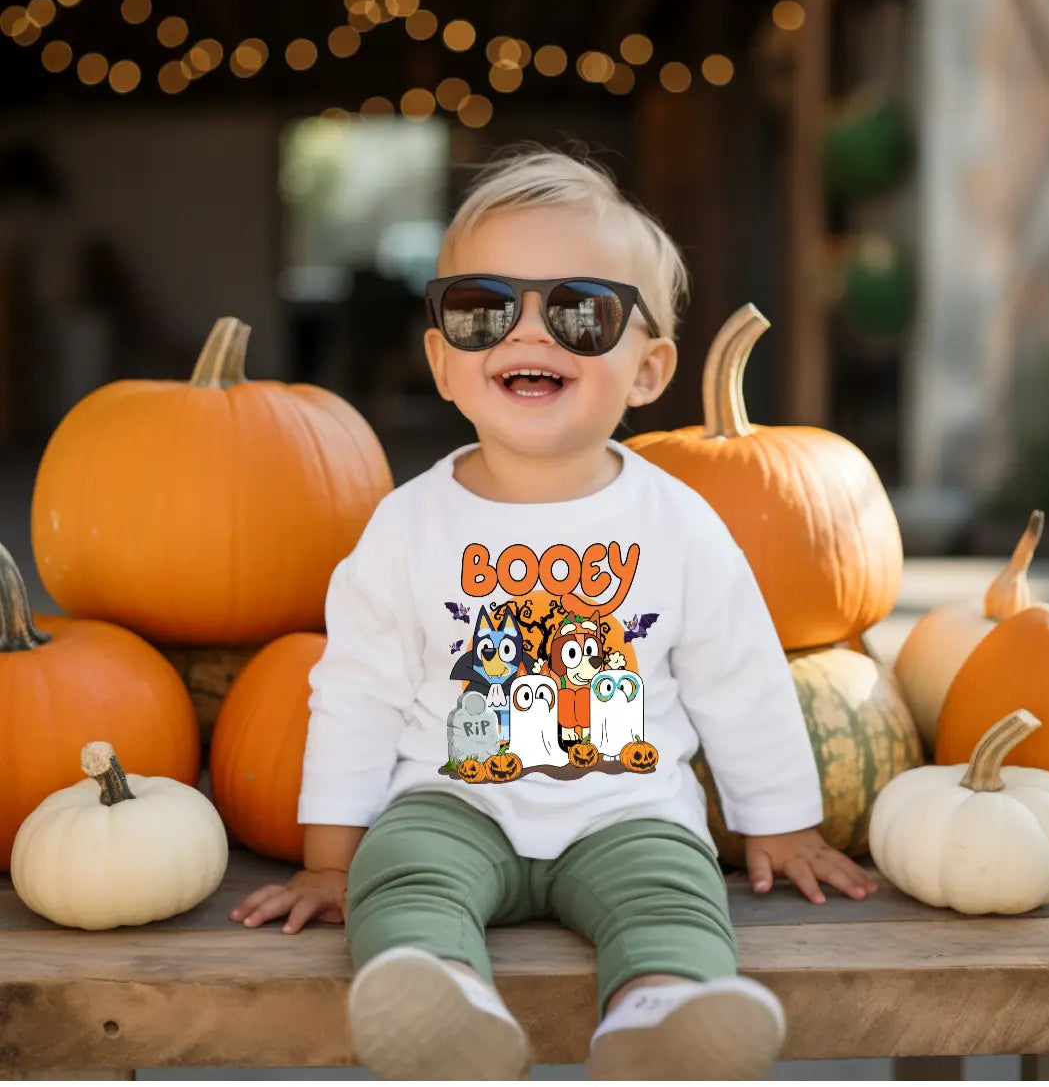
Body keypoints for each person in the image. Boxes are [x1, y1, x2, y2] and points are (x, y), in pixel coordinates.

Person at [229, 146, 877, 1080]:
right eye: (484, 309)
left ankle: (662, 1014)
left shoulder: (679, 523)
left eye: (580, 313)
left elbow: (738, 673)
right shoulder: (406, 525)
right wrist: (333, 859)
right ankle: (441, 1002)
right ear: (442, 361)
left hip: (628, 808)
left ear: (648, 368)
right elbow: (358, 690)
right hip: (452, 799)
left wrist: (779, 822)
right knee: (400, 877)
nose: (529, 334)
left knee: (676, 894)